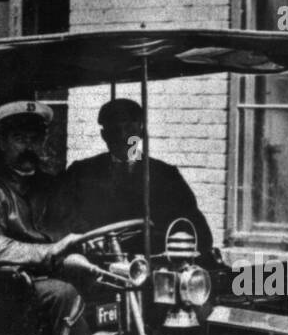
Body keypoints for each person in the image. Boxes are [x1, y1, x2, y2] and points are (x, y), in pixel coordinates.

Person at [0, 100, 86, 335]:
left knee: (111, 285)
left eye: (35, 139)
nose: (28, 146)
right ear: (3, 143)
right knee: (64, 295)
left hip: (47, 277)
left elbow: (75, 226)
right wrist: (49, 251)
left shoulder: (51, 186)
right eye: (19, 138)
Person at [63, 98, 214, 258]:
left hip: (152, 264)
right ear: (104, 135)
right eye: (115, 131)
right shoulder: (81, 173)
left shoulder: (166, 176)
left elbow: (197, 230)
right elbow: (64, 220)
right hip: (97, 263)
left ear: (141, 133)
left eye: (129, 130)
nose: (123, 137)